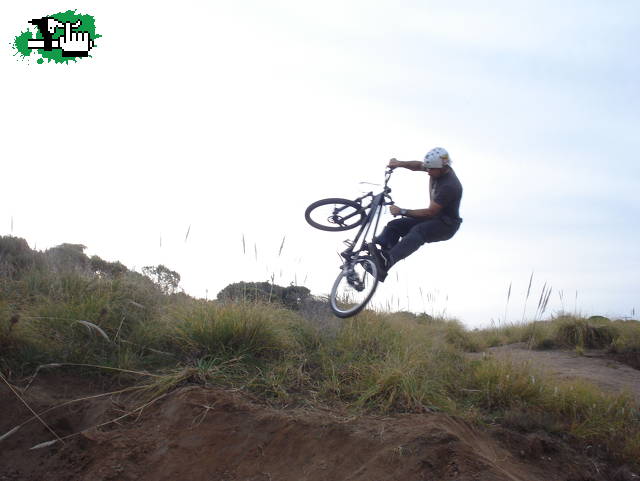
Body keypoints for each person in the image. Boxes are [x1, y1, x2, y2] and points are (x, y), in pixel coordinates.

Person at [369, 147, 463, 281]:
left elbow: (430, 212)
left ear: (442, 168)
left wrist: (402, 211)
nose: (428, 172)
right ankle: (381, 255)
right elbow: (418, 166)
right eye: (427, 168)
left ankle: (387, 261)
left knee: (418, 231)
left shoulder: (449, 186)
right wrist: (399, 163)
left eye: (430, 170)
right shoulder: (436, 168)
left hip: (446, 226)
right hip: (434, 218)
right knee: (395, 225)